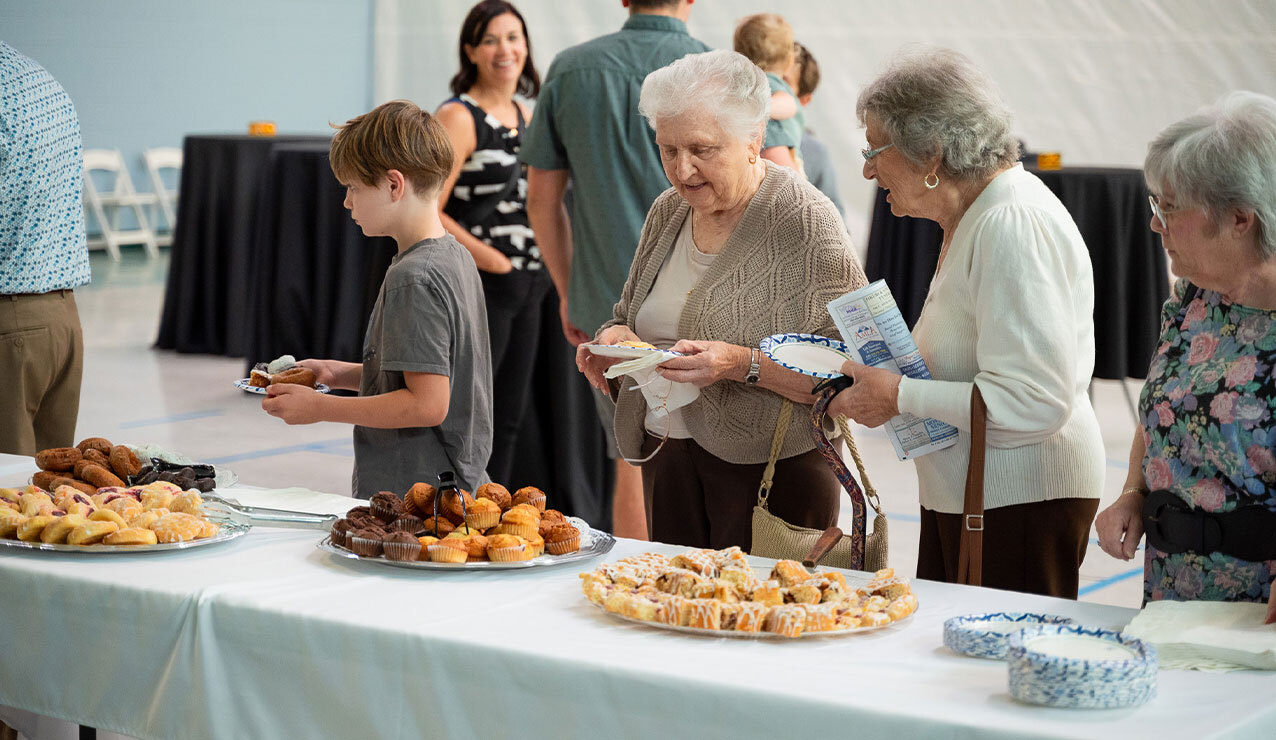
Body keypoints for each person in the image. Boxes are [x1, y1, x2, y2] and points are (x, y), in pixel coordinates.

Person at [828, 49, 1103, 598]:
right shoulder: (977, 216)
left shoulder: (1010, 222)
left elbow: (1034, 401)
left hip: (1019, 505)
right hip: (981, 500)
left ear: (930, 153)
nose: (867, 168)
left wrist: (901, 395)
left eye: (874, 149)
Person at [577, 50, 866, 549]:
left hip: (772, 475)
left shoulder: (804, 219)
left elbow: (854, 368)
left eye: (702, 149)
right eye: (666, 149)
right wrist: (612, 340)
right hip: (666, 455)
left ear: (754, 140)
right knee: (679, 612)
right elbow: (627, 315)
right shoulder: (669, 210)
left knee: (758, 620)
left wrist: (740, 363)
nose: (682, 169)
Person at [522, 0, 709, 538]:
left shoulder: (572, 68)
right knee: (712, 464)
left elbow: (542, 200)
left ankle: (635, 594)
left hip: (604, 305)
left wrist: (566, 290)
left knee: (632, 458)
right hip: (704, 304)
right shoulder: (713, 70)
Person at [1095, 91, 1276, 624]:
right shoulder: (1193, 298)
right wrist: (1133, 492)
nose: (1156, 224)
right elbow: (1164, 411)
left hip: (1259, 606)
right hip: (1173, 591)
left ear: (1241, 217)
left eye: (1169, 208)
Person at [262, 100, 493, 498]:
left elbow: (426, 404)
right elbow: (430, 373)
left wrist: (321, 409)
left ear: (393, 185)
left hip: (417, 499)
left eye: (353, 188)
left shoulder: (414, 276)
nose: (347, 202)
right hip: (449, 485)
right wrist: (340, 374)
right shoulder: (454, 255)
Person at [436, 0, 547, 485]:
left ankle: (492, 511)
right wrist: (494, 263)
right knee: (472, 412)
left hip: (528, 283)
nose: (506, 49)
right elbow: (430, 208)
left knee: (511, 414)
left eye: (514, 37)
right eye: (491, 39)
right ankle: (452, 507)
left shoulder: (527, 115)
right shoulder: (458, 116)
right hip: (483, 282)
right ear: (471, 51)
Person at [0, 42, 90, 456]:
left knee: (9, 500)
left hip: (10, 321)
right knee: (47, 499)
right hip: (62, 319)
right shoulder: (36, 77)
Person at [733, 13, 801, 172]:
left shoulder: (752, 87)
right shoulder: (765, 83)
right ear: (790, 60)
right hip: (786, 157)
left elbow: (787, 104)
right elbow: (789, 104)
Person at [789, 42, 844, 216]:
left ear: (803, 100)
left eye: (783, 82)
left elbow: (837, 221)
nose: (769, 84)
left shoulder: (814, 152)